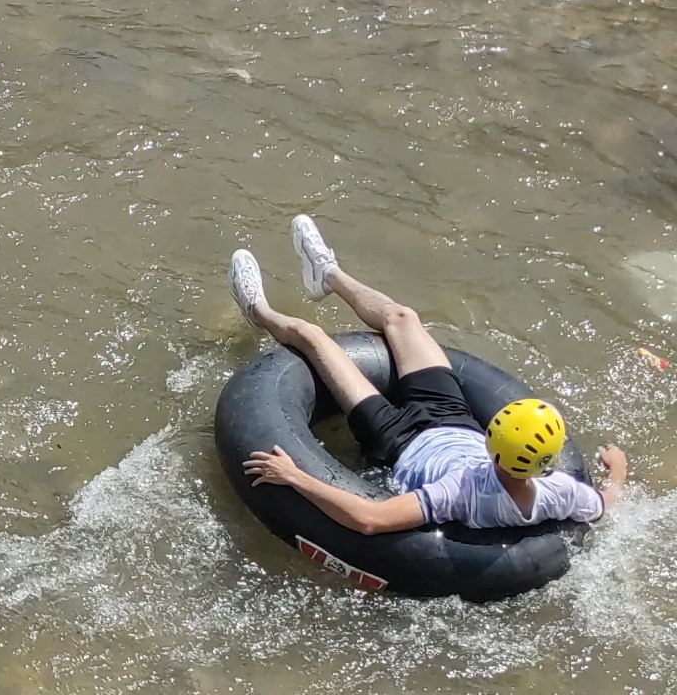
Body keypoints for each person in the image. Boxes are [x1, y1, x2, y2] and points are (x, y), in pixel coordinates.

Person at [229, 215, 627, 534]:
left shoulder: (460, 492)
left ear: (493, 441)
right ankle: (327, 274)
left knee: (312, 337)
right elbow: (606, 503)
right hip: (454, 418)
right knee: (402, 318)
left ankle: (258, 312)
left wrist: (297, 478)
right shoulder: (558, 492)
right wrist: (618, 467)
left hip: (396, 440)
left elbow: (370, 520)